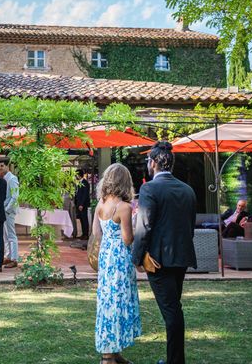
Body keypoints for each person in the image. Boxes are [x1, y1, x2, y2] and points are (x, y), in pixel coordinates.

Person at [132, 141, 196, 364]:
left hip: (158, 261)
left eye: (148, 161)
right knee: (173, 308)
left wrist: (137, 258)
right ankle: (174, 360)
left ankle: (175, 362)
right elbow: (190, 226)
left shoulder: (149, 188)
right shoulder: (187, 190)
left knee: (172, 311)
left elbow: (144, 226)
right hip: (182, 258)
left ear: (153, 163)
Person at [94, 163, 142, 364]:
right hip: (120, 259)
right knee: (119, 300)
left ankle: (113, 351)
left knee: (107, 300)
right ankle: (109, 357)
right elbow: (128, 239)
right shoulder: (124, 207)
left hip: (106, 257)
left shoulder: (101, 204)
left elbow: (96, 234)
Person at [0, 162, 19, 268]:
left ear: (7, 166)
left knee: (11, 235)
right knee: (5, 235)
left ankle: (14, 259)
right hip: (3, 210)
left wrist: (7, 209)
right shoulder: (3, 178)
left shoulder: (12, 178)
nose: (1, 168)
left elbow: (15, 196)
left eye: (2, 166)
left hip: (9, 211)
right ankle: (8, 256)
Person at [75, 169, 91, 239]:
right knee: (81, 219)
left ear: (79, 175)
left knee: (84, 219)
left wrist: (81, 204)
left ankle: (86, 234)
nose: (75, 176)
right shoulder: (80, 182)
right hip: (79, 204)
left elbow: (85, 194)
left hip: (83, 204)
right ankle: (83, 233)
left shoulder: (85, 182)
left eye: (76, 175)